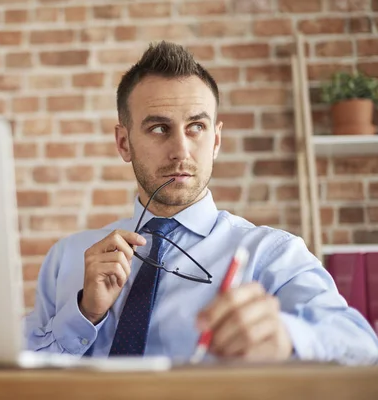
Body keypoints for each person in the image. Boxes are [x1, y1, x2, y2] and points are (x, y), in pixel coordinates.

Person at [23, 41, 378, 364]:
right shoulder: (66, 259)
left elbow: (362, 346)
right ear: (123, 143)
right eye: (159, 128)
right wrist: (84, 314)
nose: (181, 151)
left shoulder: (272, 254)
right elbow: (16, 373)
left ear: (217, 140)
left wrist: (288, 335)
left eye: (196, 127)